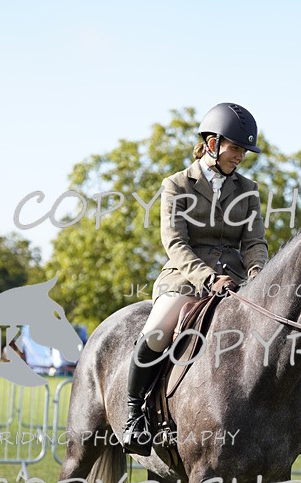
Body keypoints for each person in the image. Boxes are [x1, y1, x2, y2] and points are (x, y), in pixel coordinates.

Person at [123, 102, 268, 455]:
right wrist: (207, 278)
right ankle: (133, 413)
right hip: (185, 277)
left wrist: (258, 275)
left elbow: (254, 243)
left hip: (235, 281)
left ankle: (279, 420)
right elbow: (175, 242)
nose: (240, 157)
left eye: (244, 151)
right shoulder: (175, 185)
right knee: (157, 330)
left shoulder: (248, 190)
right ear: (212, 143)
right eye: (235, 148)